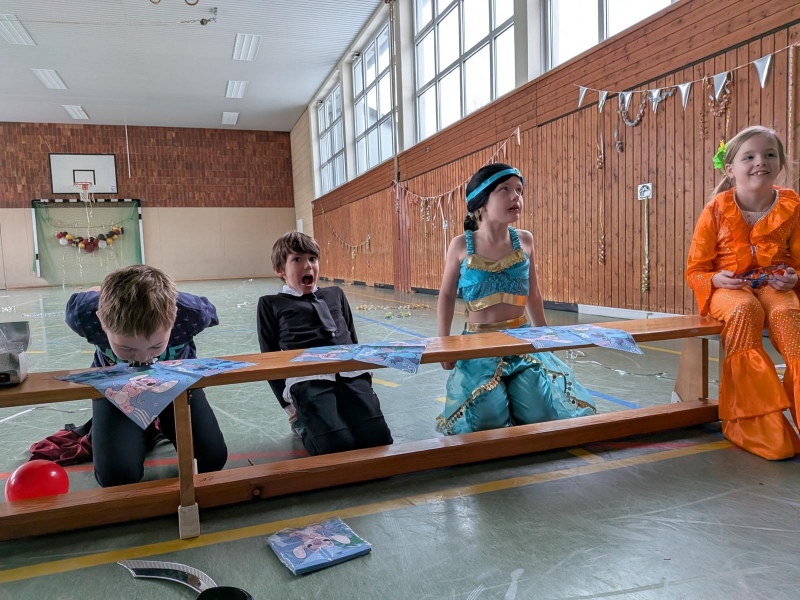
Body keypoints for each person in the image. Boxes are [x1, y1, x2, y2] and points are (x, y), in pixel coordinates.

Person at [436, 163, 596, 434]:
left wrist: (543, 333)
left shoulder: (525, 240)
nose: (516, 197)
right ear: (481, 202)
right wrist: (444, 342)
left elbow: (533, 292)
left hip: (521, 340)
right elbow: (447, 295)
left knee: (541, 416)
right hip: (478, 344)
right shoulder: (460, 245)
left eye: (519, 190)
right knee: (486, 422)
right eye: (505, 190)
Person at [686, 125, 800, 460]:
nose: (759, 162)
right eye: (748, 157)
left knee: (788, 314)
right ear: (730, 169)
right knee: (744, 310)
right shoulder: (716, 210)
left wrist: (793, 278)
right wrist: (716, 280)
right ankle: (751, 422)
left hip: (774, 285)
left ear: (780, 164)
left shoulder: (793, 207)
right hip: (729, 290)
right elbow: (695, 271)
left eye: (769, 154)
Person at [64, 265, 228, 486]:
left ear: (174, 317)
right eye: (127, 348)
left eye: (156, 346)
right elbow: (85, 297)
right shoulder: (83, 314)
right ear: (102, 321)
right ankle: (139, 430)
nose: (142, 359)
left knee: (211, 459)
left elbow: (210, 311)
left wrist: (161, 297)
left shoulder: (193, 313)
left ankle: (159, 423)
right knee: (117, 478)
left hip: (176, 384)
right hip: (117, 387)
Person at [256, 231, 393, 456]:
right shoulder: (271, 304)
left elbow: (352, 338)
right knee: (336, 445)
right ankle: (304, 426)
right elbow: (269, 358)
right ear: (280, 270)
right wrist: (288, 406)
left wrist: (363, 377)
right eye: (297, 259)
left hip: (349, 373)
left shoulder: (335, 294)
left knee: (377, 438)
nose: (308, 265)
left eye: (312, 258)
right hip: (308, 380)